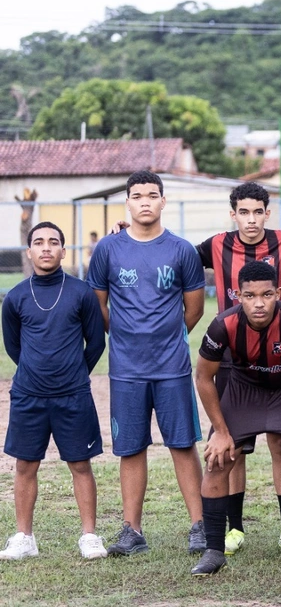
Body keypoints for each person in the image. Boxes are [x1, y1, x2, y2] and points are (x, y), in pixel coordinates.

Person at [88, 171, 207, 557]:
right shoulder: (107, 249)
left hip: (172, 366)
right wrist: (125, 335)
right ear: (127, 201)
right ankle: (132, 530)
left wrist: (167, 336)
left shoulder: (182, 250)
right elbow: (99, 307)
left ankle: (199, 526)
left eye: (151, 195)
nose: (144, 201)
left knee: (182, 444)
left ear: (162, 201)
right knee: (130, 448)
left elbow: (194, 309)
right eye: (137, 195)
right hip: (126, 369)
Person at [193, 262, 281, 576]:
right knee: (217, 460)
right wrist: (221, 431)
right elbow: (203, 378)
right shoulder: (222, 325)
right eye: (250, 296)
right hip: (244, 392)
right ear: (238, 295)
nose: (260, 302)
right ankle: (213, 550)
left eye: (267, 294)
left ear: (279, 293)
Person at [197, 183, 281, 553]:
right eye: (243, 212)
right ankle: (235, 528)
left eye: (257, 211)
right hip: (233, 358)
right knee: (233, 447)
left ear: (267, 213)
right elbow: (177, 258)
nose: (251, 219)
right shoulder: (215, 245)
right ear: (233, 214)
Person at [0, 222, 106, 560]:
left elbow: (96, 342)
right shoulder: (15, 297)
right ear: (28, 251)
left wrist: (73, 372)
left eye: (54, 242)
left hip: (73, 394)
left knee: (80, 464)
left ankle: (89, 535)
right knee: (25, 465)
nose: (46, 248)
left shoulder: (81, 292)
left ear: (64, 250)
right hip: (29, 396)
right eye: (39, 242)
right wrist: (36, 371)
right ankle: (23, 537)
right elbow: (13, 347)